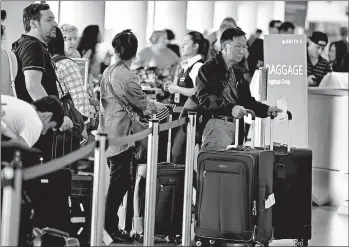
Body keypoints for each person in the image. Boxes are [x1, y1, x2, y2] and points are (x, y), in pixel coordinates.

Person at [100, 29, 166, 243]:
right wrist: (162, 107)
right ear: (134, 53)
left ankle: (114, 226)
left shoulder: (107, 71)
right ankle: (109, 228)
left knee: (118, 181)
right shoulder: (128, 76)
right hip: (124, 135)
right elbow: (144, 107)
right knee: (119, 184)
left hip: (109, 131)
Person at [194, 28, 282, 150]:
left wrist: (266, 110)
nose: (242, 51)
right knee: (217, 167)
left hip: (236, 127)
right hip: (217, 125)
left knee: (233, 167)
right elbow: (206, 99)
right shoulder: (209, 69)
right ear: (225, 46)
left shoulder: (237, 71)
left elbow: (246, 100)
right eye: (238, 46)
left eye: (244, 47)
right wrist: (231, 109)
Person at [12, 3, 72, 131]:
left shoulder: (23, 44)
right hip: (38, 123)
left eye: (54, 19)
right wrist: (57, 117)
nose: (55, 24)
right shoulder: (33, 46)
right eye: (49, 20)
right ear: (33, 24)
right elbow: (33, 86)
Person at [166, 31, 208, 164]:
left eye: (185, 43)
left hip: (190, 119)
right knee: (176, 154)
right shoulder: (186, 66)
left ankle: (182, 184)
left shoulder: (198, 66)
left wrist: (177, 88)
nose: (182, 46)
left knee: (177, 154)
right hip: (180, 117)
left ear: (195, 46)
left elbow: (199, 92)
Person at [48, 26, 91, 140]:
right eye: (67, 39)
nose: (73, 42)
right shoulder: (66, 63)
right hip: (69, 118)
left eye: (75, 38)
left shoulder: (48, 59)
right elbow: (79, 96)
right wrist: (84, 127)